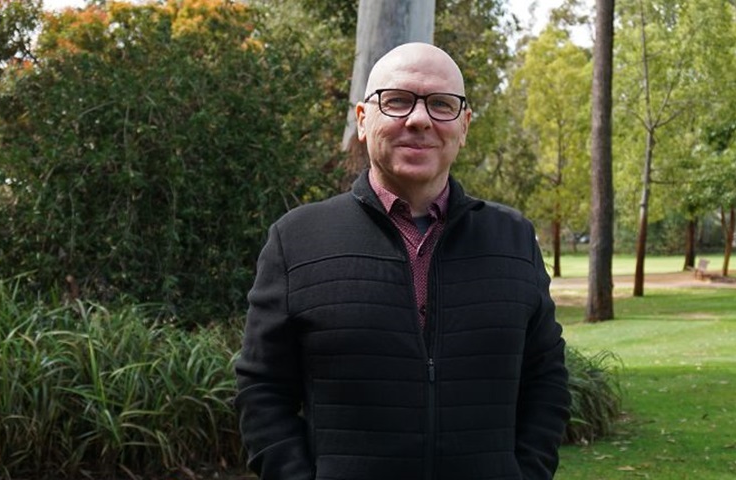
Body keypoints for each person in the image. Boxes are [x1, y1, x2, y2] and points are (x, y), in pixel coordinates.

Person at [235, 42, 570, 480]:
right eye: (397, 101)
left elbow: (546, 380)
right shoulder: (297, 240)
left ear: (464, 126)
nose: (419, 119)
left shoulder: (513, 239)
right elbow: (262, 390)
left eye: (441, 104)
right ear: (362, 119)